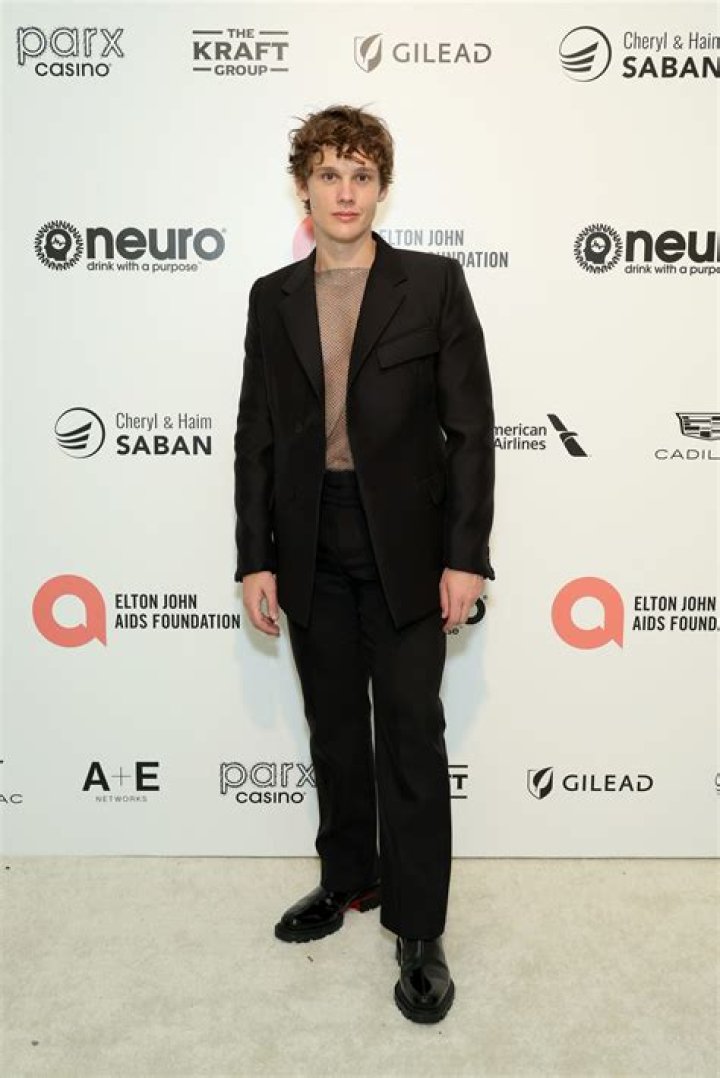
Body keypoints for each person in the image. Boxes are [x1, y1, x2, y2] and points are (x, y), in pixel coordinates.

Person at [234, 104, 495, 1023]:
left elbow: (471, 431)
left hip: (410, 546)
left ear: (382, 188)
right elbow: (257, 436)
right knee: (336, 729)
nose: (345, 192)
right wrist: (255, 557)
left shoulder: (433, 284)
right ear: (302, 187)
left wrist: (466, 556)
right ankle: (348, 876)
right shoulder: (272, 297)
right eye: (329, 175)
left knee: (411, 734)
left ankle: (418, 929)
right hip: (309, 538)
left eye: (362, 175)